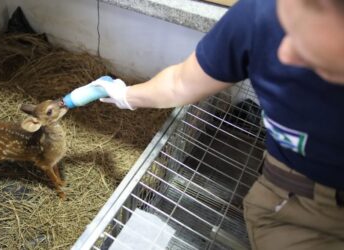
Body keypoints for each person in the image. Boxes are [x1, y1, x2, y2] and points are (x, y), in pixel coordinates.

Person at [92, 0, 344, 249]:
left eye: (302, 40)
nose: (283, 52)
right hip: (295, 193)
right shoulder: (260, 14)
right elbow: (180, 82)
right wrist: (125, 96)